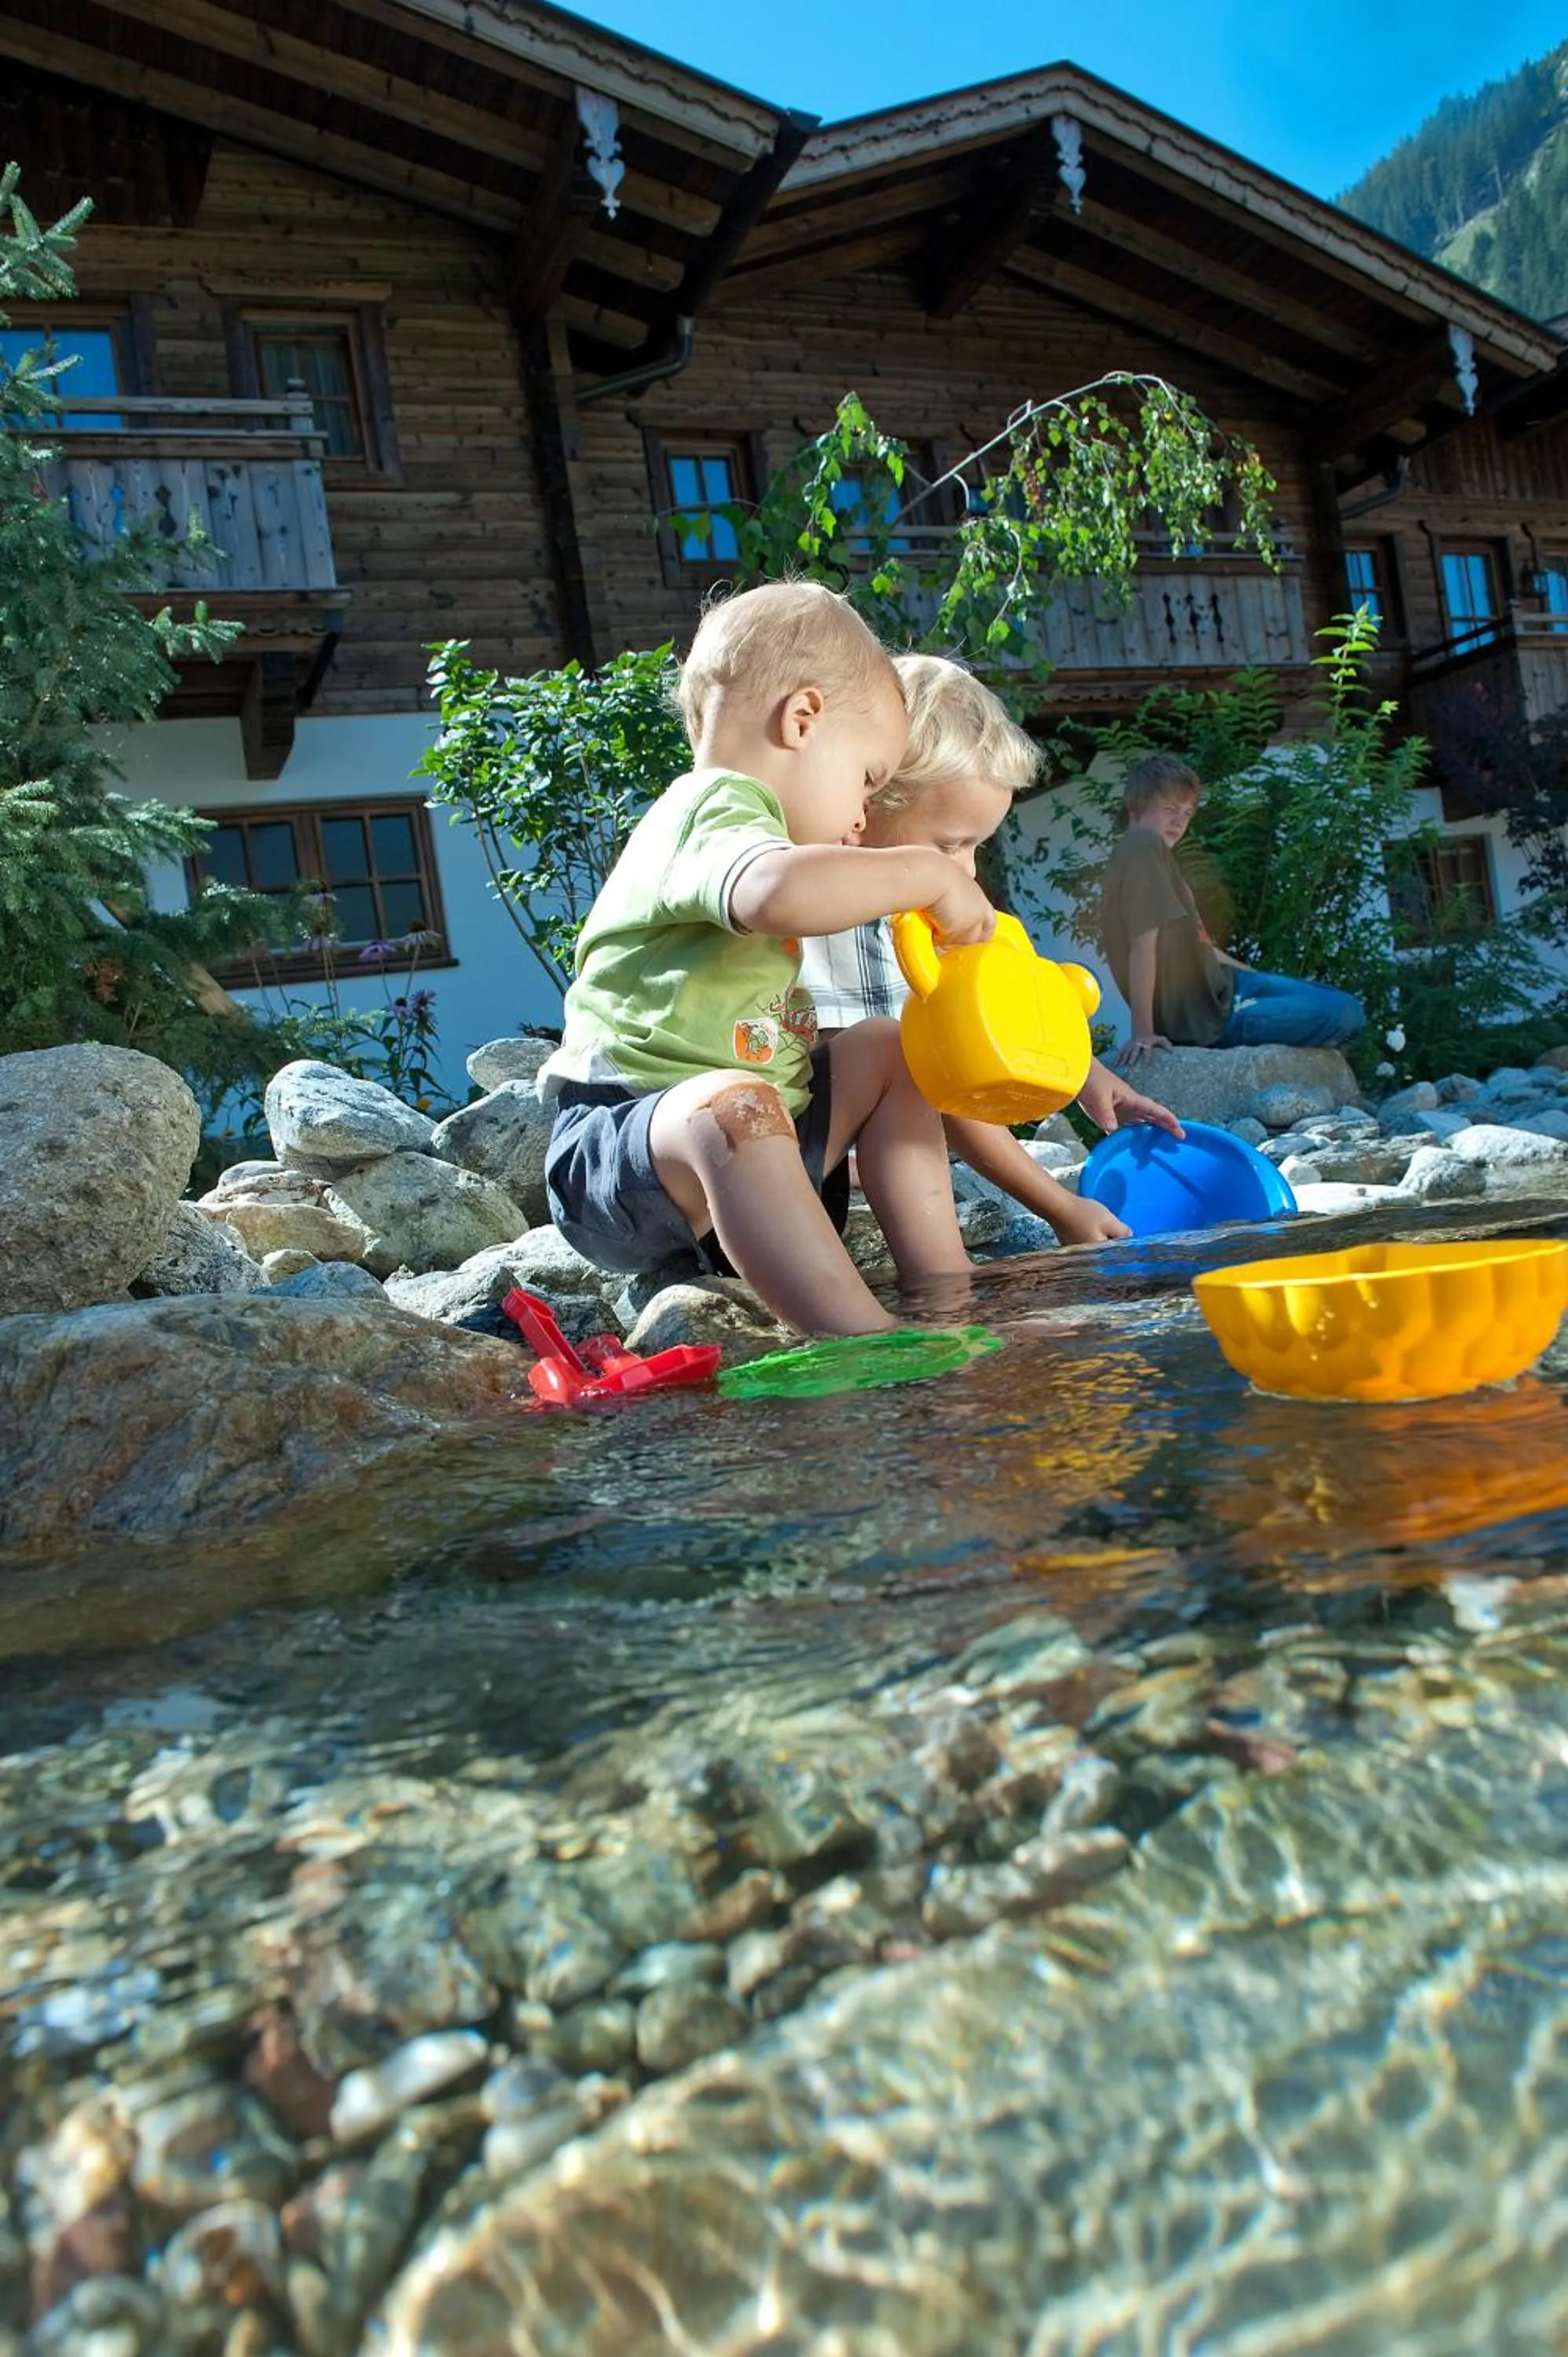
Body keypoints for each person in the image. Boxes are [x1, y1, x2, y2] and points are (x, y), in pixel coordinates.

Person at [539, 581, 998, 1336]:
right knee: (733, 1100)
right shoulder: (709, 806)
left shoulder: (763, 829)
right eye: (867, 779)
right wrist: (927, 871)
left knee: (893, 1048)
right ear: (801, 719)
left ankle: (945, 1288)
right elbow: (775, 895)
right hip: (624, 1152)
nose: (861, 815)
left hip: (759, 1155)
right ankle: (863, 1336)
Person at [799, 654, 1183, 1247]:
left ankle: (945, 1301)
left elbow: (988, 1024)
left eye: (977, 845)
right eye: (951, 845)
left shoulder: (896, 922)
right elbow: (946, 1085)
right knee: (901, 1056)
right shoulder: (822, 919)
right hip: (758, 1195)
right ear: (863, 807)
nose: (968, 870)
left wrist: (1086, 1075)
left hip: (790, 1172)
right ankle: (944, 1294)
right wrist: (1061, 1206)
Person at [1098, 753, 1364, 1066]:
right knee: (1346, 1011)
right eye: (1169, 809)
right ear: (1136, 808)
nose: (1180, 821)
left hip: (1226, 986)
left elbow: (1201, 945)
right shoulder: (1142, 846)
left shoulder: (1152, 855)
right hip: (1206, 1017)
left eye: (1187, 812)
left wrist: (1255, 977)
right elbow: (1143, 944)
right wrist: (1143, 1032)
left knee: (1333, 1001)